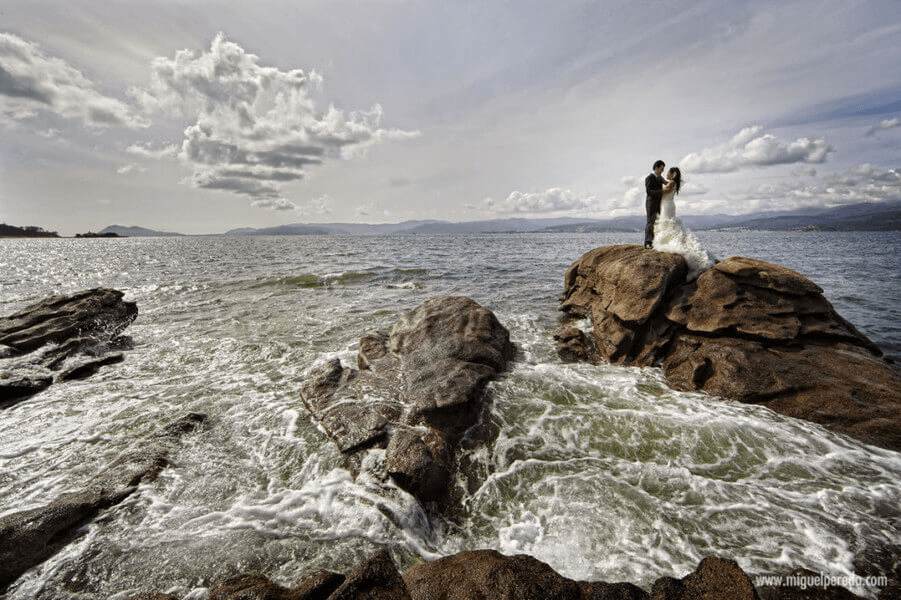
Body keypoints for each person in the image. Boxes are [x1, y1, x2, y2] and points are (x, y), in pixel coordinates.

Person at [652, 167, 717, 280]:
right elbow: (666, 184)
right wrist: (660, 178)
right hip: (668, 205)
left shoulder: (671, 183)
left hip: (667, 205)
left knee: (667, 222)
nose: (666, 173)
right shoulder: (672, 183)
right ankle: (666, 239)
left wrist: (653, 190)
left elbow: (663, 192)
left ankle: (668, 241)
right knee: (668, 223)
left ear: (672, 174)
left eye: (668, 172)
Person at [644, 160, 673, 249]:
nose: (663, 171)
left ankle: (654, 241)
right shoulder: (649, 177)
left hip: (659, 203)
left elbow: (668, 184)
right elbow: (649, 191)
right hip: (651, 203)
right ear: (656, 167)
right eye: (661, 168)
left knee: (657, 222)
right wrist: (662, 191)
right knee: (650, 221)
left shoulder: (660, 178)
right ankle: (647, 242)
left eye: (663, 169)